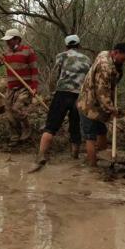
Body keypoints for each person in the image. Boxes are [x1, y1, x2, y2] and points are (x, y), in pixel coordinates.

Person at [35, 35, 92, 164]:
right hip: (80, 95)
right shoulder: (87, 59)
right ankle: (75, 156)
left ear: (66, 46)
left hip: (62, 93)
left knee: (51, 126)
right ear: (79, 45)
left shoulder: (61, 56)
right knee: (75, 126)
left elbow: (56, 73)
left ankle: (41, 155)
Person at [77, 43, 125, 167]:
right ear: (116, 52)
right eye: (123, 59)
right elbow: (102, 92)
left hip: (98, 105)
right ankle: (93, 167)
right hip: (89, 104)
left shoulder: (105, 54)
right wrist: (112, 108)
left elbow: (111, 82)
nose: (124, 62)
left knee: (101, 131)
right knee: (90, 136)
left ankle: (104, 160)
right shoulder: (105, 66)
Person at [0, 29, 39, 142]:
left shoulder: (28, 51)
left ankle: (27, 128)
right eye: (6, 40)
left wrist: (34, 87)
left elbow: (34, 70)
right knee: (8, 110)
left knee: (17, 108)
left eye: (10, 40)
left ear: (17, 39)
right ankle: (14, 135)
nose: (7, 42)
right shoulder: (6, 53)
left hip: (25, 87)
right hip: (11, 88)